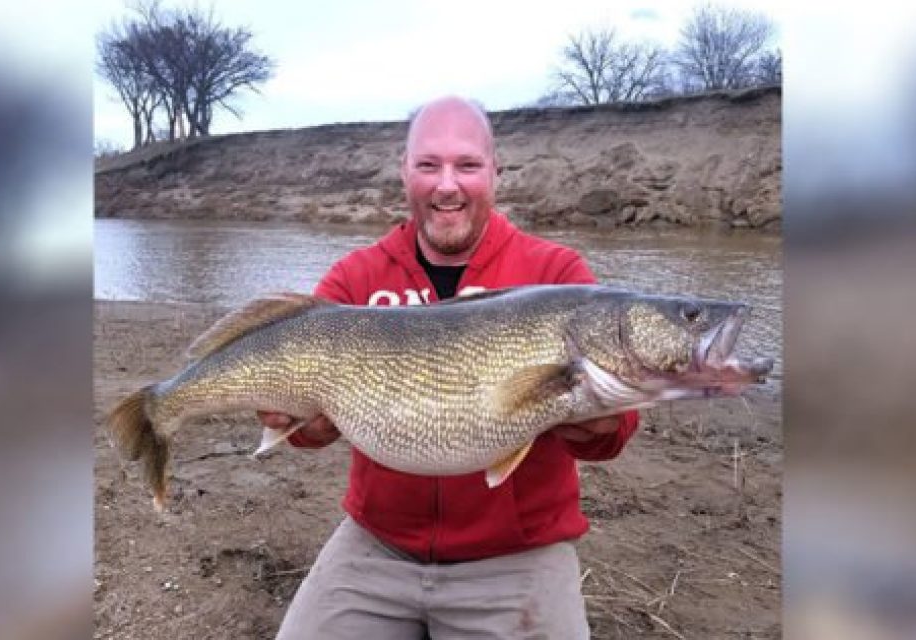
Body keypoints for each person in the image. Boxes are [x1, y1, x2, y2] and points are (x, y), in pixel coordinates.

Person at [260, 95, 639, 639]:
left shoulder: (558, 274)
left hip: (519, 556)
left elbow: (614, 434)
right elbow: (305, 426)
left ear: (494, 173)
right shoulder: (354, 280)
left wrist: (600, 426)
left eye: (467, 165)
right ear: (404, 174)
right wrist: (297, 425)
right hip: (376, 545)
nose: (447, 185)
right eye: (428, 165)